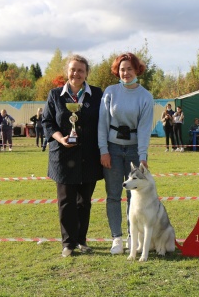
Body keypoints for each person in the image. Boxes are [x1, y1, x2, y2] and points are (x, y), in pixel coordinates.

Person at [42, 54, 103, 257]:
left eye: (81, 70)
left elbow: (102, 122)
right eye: (73, 69)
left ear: (86, 74)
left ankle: (81, 240)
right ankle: (68, 243)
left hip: (89, 156)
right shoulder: (55, 95)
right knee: (66, 201)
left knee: (84, 201)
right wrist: (60, 138)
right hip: (62, 156)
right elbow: (47, 123)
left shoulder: (97, 94)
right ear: (67, 71)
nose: (76, 73)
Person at [98, 52, 154, 255]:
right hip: (112, 149)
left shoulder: (145, 96)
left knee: (134, 196)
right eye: (122, 69)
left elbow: (145, 129)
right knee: (113, 195)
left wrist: (142, 157)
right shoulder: (110, 92)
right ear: (117, 71)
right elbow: (102, 125)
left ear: (137, 70)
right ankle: (116, 238)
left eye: (130, 68)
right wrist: (104, 150)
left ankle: (133, 237)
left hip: (133, 150)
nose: (126, 73)